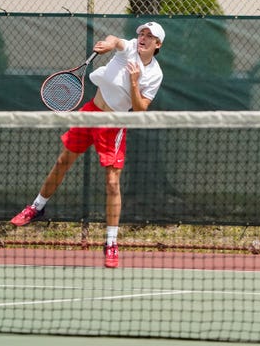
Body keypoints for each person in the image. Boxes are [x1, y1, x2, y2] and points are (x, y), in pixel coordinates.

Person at [10, 22, 165, 269]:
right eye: (142, 33)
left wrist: (135, 83)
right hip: (91, 112)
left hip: (114, 123)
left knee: (112, 183)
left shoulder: (155, 75)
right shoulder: (130, 48)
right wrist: (109, 44)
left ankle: (111, 243)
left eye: (150, 36)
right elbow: (117, 40)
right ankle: (36, 207)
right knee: (62, 162)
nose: (143, 38)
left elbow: (139, 109)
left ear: (158, 45)